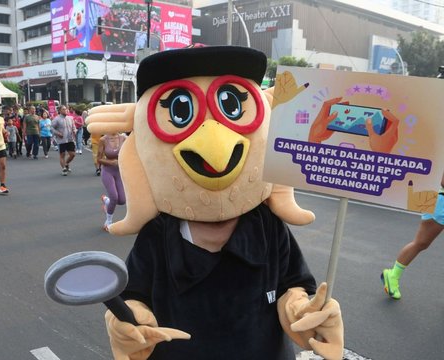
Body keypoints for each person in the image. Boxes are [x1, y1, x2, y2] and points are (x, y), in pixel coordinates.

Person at [86, 46, 343, 360]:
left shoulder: (267, 227)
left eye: (232, 106)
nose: (215, 149)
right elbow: (133, 295)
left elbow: (294, 283)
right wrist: (129, 322)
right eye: (181, 112)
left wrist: (303, 312)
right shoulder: (159, 234)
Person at [381, 173, 444, 300]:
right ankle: (393, 275)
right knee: (421, 243)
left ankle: (393, 275)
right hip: (439, 202)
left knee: (421, 243)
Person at [97, 132, 126, 231]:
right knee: (114, 196)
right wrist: (111, 162)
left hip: (119, 171)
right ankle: (108, 221)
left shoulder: (123, 138)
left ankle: (106, 201)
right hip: (107, 171)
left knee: (122, 200)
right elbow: (99, 159)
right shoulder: (103, 140)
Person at [51, 105, 76, 176]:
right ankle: (64, 168)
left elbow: (73, 126)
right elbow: (52, 128)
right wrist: (58, 133)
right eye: (63, 109)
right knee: (62, 155)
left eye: (66, 109)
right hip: (62, 140)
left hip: (70, 139)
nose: (65, 110)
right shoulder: (56, 119)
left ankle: (66, 163)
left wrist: (74, 131)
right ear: (60, 111)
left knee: (72, 154)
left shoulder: (70, 118)